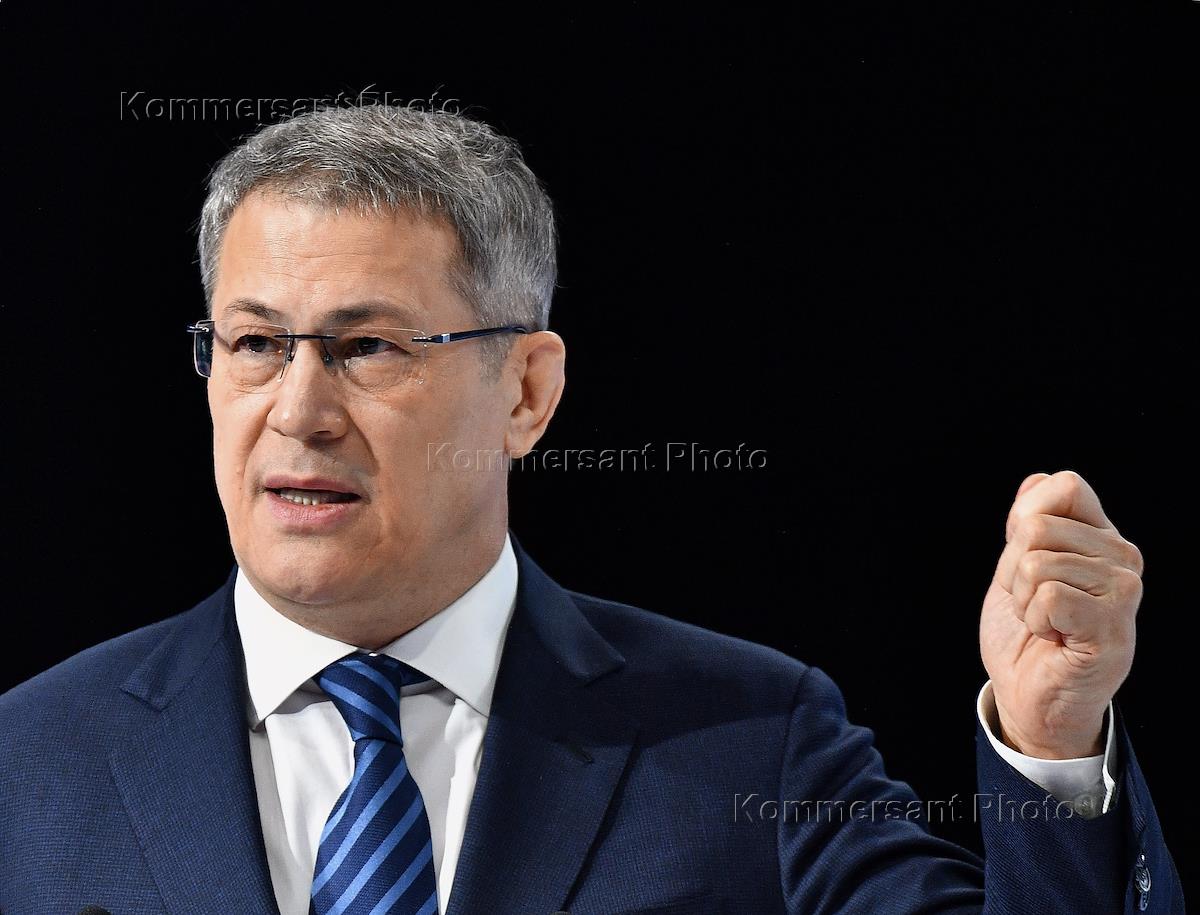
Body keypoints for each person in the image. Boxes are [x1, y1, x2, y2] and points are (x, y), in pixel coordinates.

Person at [0, 103, 1184, 915]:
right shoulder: (28, 764)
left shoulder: (748, 738)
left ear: (526, 392)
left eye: (367, 348)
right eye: (256, 343)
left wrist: (1049, 745)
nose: (298, 411)